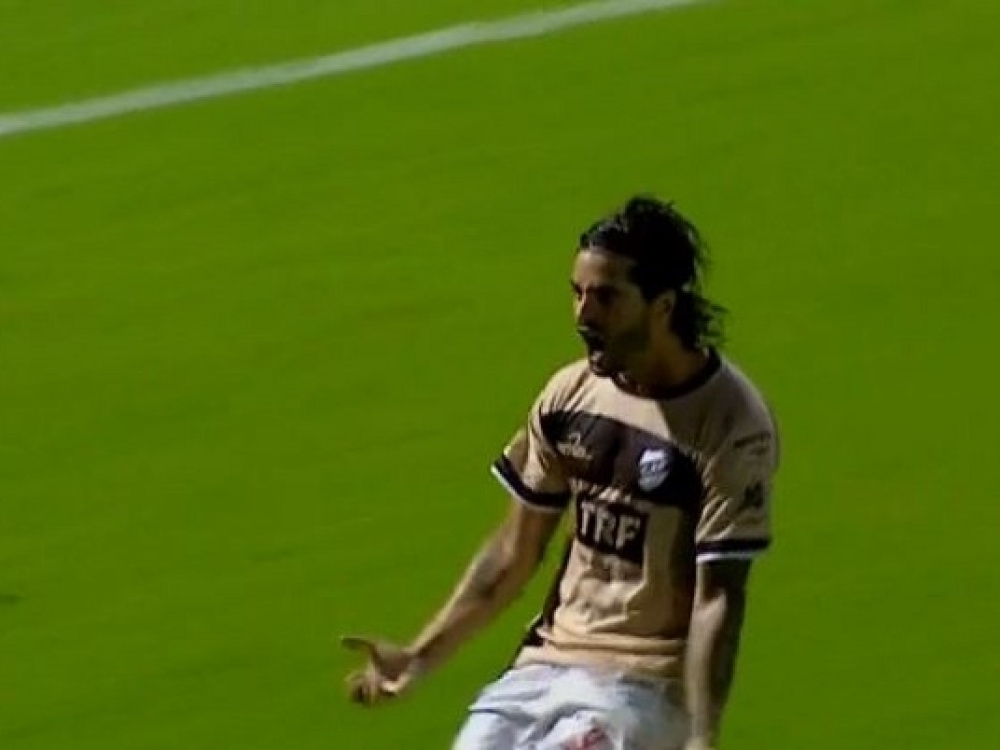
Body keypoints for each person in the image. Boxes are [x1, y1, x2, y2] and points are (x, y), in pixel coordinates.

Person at [342, 195, 781, 750]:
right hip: (543, 669)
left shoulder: (730, 424)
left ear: (663, 306)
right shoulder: (570, 396)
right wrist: (418, 657)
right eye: (577, 293)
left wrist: (701, 734)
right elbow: (513, 552)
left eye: (606, 297)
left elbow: (719, 598)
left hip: (642, 688)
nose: (583, 315)